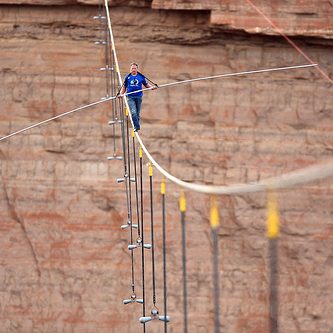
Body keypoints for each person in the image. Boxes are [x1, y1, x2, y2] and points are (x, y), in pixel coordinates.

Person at [118, 62, 157, 131]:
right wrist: (121, 94)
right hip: (130, 97)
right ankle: (136, 127)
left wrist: (152, 87)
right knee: (133, 112)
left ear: (137, 69)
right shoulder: (128, 77)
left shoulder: (140, 76)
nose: (133, 69)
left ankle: (137, 126)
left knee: (137, 114)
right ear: (130, 69)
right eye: (132, 68)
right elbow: (124, 87)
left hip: (138, 97)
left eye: (135, 68)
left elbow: (146, 84)